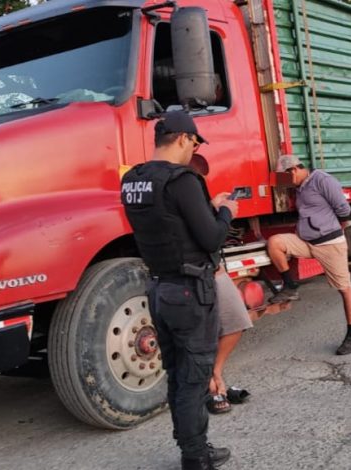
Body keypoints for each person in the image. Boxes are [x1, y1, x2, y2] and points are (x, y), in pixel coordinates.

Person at [121, 111, 237, 470]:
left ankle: (190, 445)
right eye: (196, 142)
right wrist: (226, 212)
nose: (195, 149)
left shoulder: (133, 180)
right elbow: (211, 237)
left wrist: (208, 209)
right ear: (184, 139)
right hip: (189, 291)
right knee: (194, 377)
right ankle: (195, 456)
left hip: (159, 288)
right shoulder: (183, 179)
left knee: (177, 374)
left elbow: (169, 223)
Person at [266, 155, 351, 356]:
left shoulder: (322, 180)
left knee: (344, 288)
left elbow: (344, 209)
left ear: (293, 170)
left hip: (329, 244)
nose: (285, 183)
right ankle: (290, 287)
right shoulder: (300, 188)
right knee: (275, 243)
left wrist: (333, 228)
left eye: (285, 177)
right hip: (307, 243)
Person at [189, 154, 252, 414]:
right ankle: (212, 385)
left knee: (236, 320)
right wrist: (224, 213)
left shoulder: (193, 189)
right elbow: (209, 236)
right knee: (200, 334)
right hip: (195, 272)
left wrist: (214, 207)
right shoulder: (175, 190)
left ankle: (215, 373)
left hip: (214, 268)